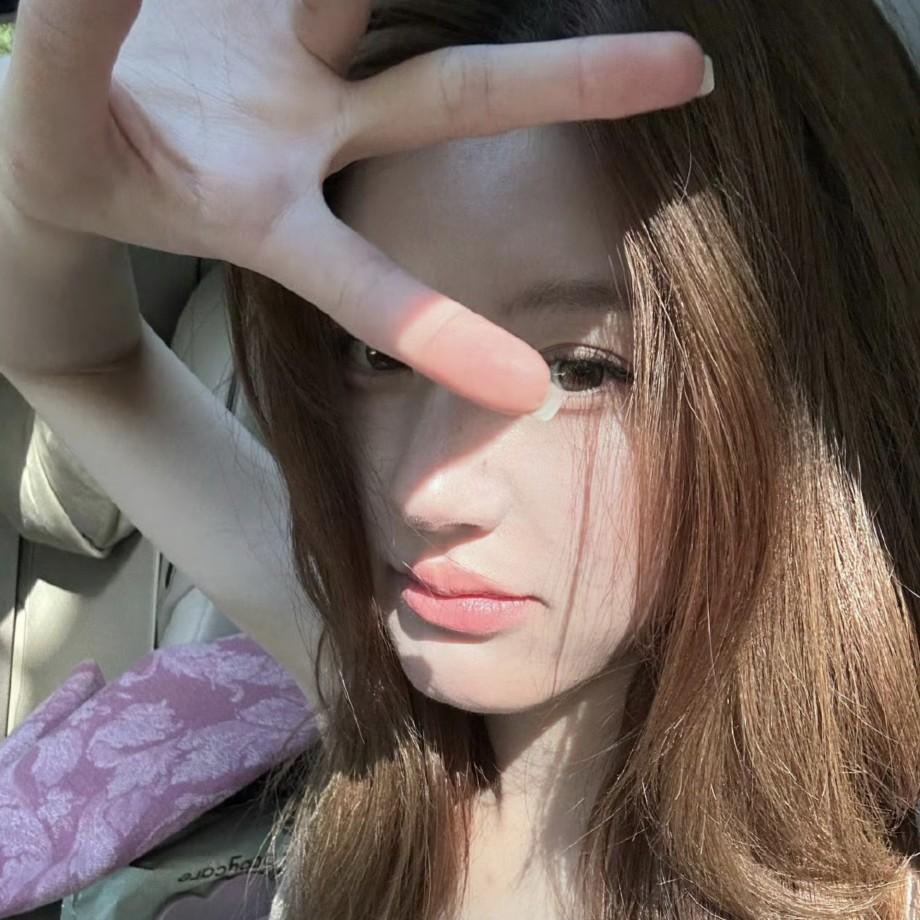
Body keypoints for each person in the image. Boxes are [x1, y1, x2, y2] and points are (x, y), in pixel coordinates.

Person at [0, 2, 918, 920]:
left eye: (579, 370)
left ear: (816, 385)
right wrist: (38, 199)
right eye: (377, 353)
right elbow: (79, 363)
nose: (425, 493)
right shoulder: (378, 699)